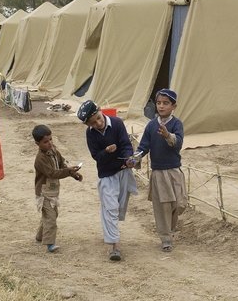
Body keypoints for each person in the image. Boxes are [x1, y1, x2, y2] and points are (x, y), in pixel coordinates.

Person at [127, 89, 187, 252]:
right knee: (163, 206)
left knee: (179, 204)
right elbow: (143, 146)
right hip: (159, 172)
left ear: (173, 106)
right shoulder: (151, 125)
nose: (161, 106)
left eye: (166, 103)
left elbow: (178, 143)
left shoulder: (176, 124)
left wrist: (168, 135)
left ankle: (171, 230)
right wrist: (135, 158)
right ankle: (165, 238)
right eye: (159, 103)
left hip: (174, 171)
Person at [77, 100, 137, 261]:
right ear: (88, 125)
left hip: (123, 171)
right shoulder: (91, 134)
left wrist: (129, 158)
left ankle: (111, 232)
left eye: (98, 118)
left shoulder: (117, 123)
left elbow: (125, 144)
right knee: (110, 208)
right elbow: (97, 157)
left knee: (119, 207)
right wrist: (107, 151)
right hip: (107, 175)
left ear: (101, 111)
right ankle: (114, 246)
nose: (98, 123)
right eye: (92, 122)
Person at [32, 124, 83, 253]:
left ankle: (40, 236)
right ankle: (50, 243)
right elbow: (53, 173)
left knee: (52, 214)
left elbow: (62, 164)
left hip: (53, 190)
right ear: (37, 143)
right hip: (44, 192)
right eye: (45, 141)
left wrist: (74, 174)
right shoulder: (40, 159)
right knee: (50, 217)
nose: (49, 143)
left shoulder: (54, 151)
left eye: (50, 139)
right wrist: (68, 171)